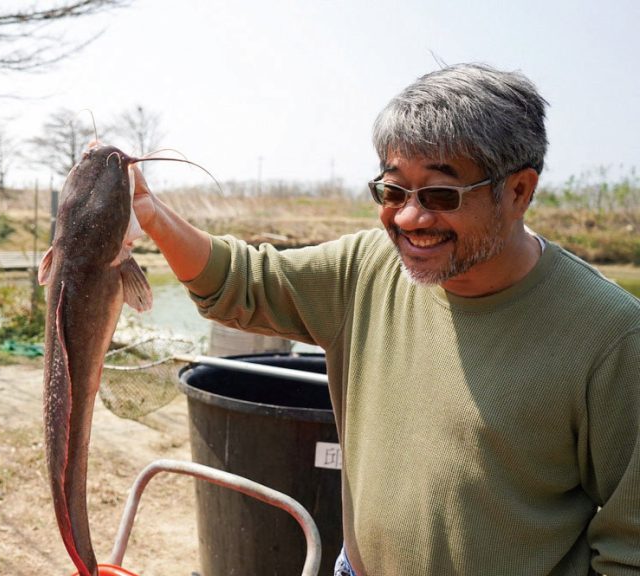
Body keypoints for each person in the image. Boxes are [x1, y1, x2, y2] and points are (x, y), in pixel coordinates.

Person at [131, 63, 640, 575]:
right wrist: (150, 212)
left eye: (442, 196)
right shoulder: (366, 267)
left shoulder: (610, 336)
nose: (410, 219)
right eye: (393, 191)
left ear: (518, 192)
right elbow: (241, 281)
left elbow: (630, 549)